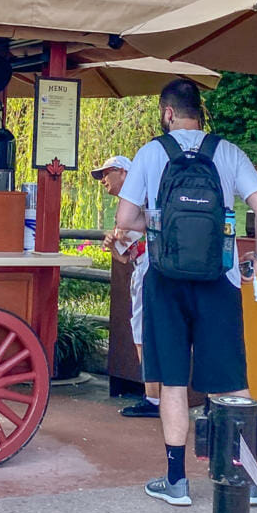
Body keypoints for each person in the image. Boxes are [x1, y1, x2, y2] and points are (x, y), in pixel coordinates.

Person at [114, 78, 257, 507]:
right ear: (198, 111)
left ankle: (176, 482)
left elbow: (125, 217)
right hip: (220, 279)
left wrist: (152, 224)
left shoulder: (151, 153)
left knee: (171, 382)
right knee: (232, 382)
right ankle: (251, 482)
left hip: (164, 280)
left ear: (168, 113)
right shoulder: (227, 152)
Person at [93, 155, 161, 418]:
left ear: (123, 172)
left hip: (150, 268)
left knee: (144, 331)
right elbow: (124, 256)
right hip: (143, 265)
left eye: (106, 174)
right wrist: (113, 245)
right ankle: (154, 394)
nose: (103, 181)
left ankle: (154, 398)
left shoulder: (141, 200)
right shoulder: (135, 202)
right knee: (144, 331)